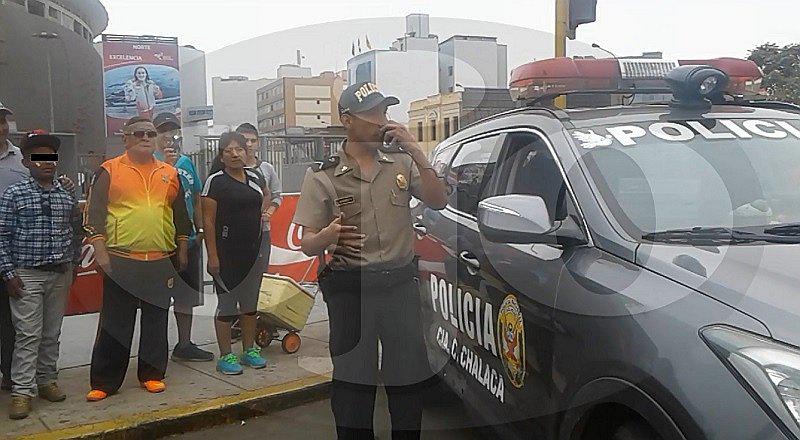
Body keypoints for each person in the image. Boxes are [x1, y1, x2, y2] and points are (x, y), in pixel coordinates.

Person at [293, 82, 448, 439]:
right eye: (374, 114)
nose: (383, 121)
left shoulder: (402, 162)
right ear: (347, 120)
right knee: (353, 384)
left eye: (385, 112)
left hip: (398, 288)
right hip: (350, 291)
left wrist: (419, 153)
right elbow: (306, 244)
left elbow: (438, 200)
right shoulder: (323, 174)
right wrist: (327, 237)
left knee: (407, 380)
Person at [84, 116, 191, 402]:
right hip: (121, 259)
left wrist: (181, 249)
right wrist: (101, 253)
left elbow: (180, 216)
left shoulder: (170, 173)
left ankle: (152, 374)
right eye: (139, 134)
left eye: (151, 134)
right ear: (126, 139)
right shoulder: (109, 171)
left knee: (156, 320)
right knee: (115, 323)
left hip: (160, 260)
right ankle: (105, 381)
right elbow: (93, 215)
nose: (146, 138)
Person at [0, 131, 82, 420]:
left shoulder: (66, 193)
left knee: (51, 334)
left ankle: (47, 380)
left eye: (51, 157)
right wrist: (8, 273)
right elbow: (2, 236)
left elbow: (73, 230)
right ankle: (22, 391)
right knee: (27, 335)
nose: (47, 162)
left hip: (59, 273)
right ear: (26, 162)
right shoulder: (14, 194)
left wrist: (72, 264)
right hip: (26, 276)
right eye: (39, 157)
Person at [202, 132, 268, 376]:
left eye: (238, 149)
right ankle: (226, 354)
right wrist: (213, 255)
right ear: (222, 155)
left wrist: (266, 211)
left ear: (246, 151)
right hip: (226, 254)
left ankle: (249, 350)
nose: (234, 154)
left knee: (250, 305)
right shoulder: (216, 182)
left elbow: (266, 195)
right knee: (228, 305)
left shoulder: (255, 177)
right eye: (228, 150)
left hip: (253, 253)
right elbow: (208, 220)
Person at [153, 113, 214, 362]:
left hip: (189, 241)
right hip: (162, 243)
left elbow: (197, 198)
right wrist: (167, 167)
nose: (169, 136)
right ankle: (156, 347)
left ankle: (185, 343)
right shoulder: (151, 164)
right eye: (163, 131)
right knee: (158, 300)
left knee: (186, 298)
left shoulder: (187, 163)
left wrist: (199, 232)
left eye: (173, 131)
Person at [0, 101, 24, 394]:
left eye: (3, 121)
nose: (1, 127)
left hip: (15, 252)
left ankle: (13, 373)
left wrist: (67, 185)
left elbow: (56, 178)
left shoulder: (28, 153)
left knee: (12, 319)